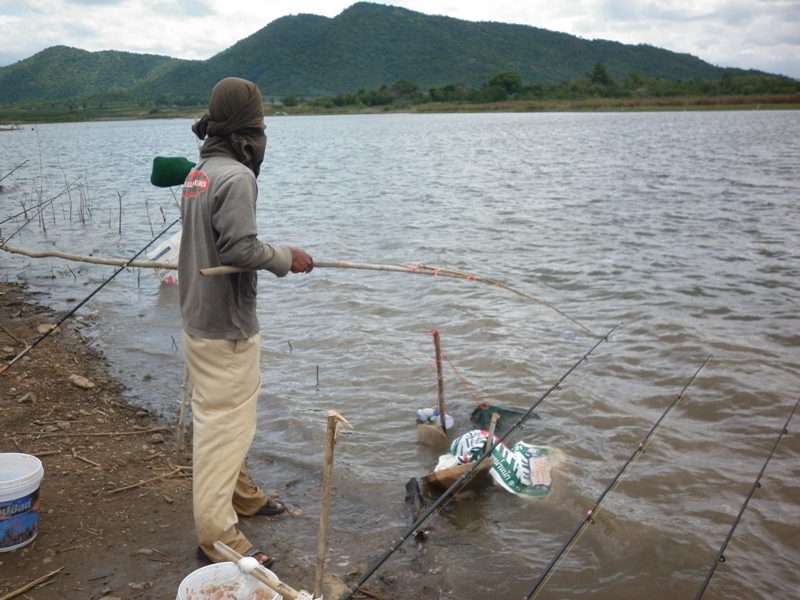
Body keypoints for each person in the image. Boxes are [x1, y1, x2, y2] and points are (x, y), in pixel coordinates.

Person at [178, 77, 314, 566]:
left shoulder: (201, 173)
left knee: (221, 418)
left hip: (198, 316)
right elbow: (238, 248)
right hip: (224, 327)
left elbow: (217, 242)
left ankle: (243, 497)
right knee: (224, 429)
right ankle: (217, 539)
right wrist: (286, 256)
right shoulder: (236, 177)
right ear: (249, 130)